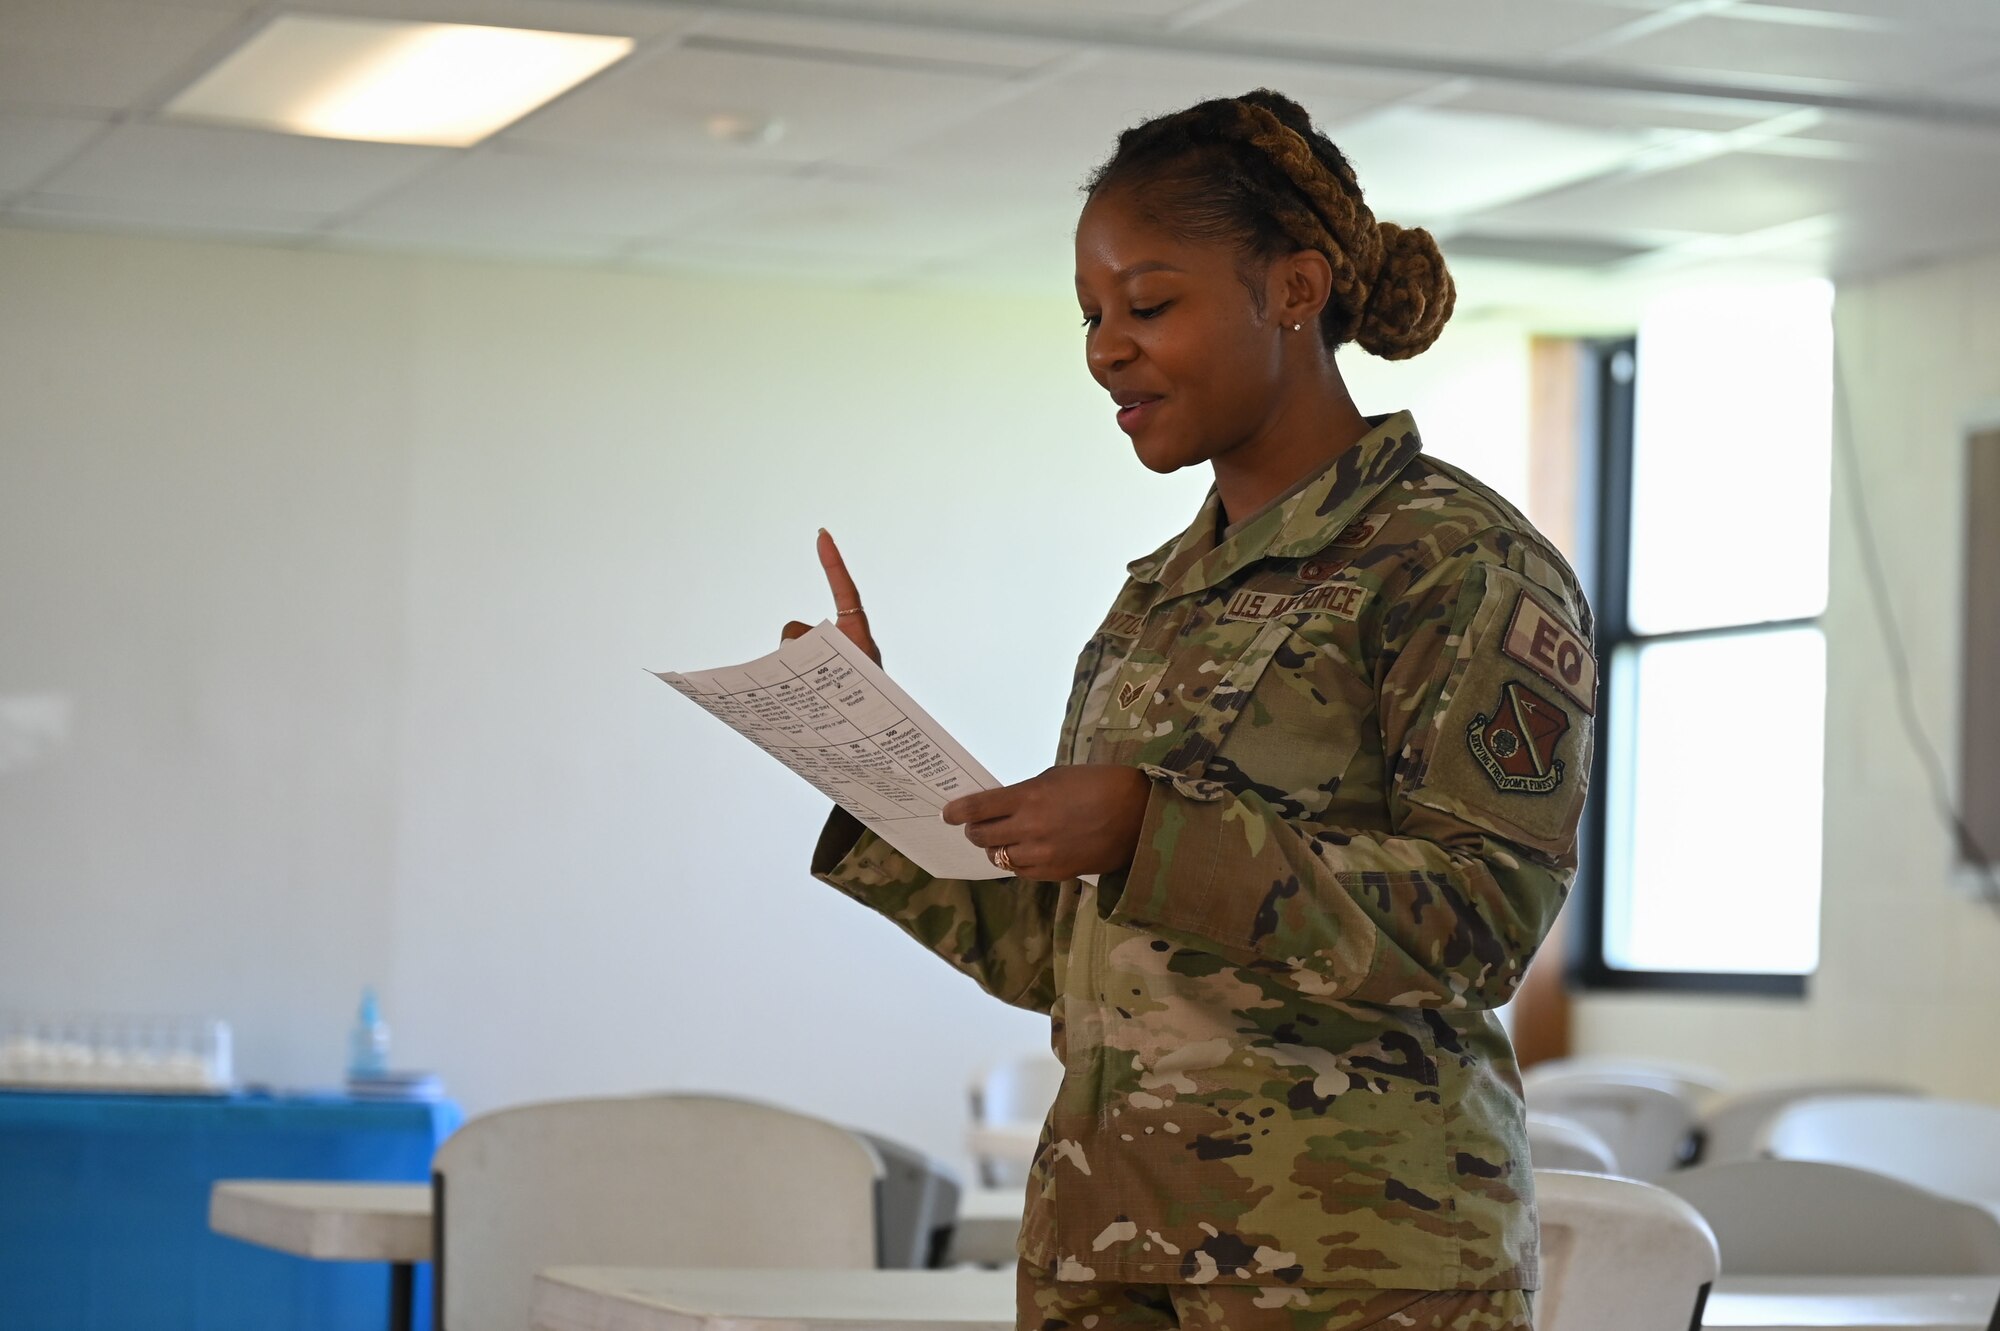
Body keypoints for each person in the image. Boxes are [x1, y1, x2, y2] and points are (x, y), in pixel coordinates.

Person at [785, 89, 1595, 1331]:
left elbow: (1478, 920)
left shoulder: (1455, 560)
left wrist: (1149, 829)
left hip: (1347, 1267)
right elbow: (1065, 952)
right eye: (1092, 316)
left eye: (1148, 305)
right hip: (1108, 1249)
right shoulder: (1157, 595)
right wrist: (867, 758)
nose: (1107, 347)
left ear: (1293, 288)